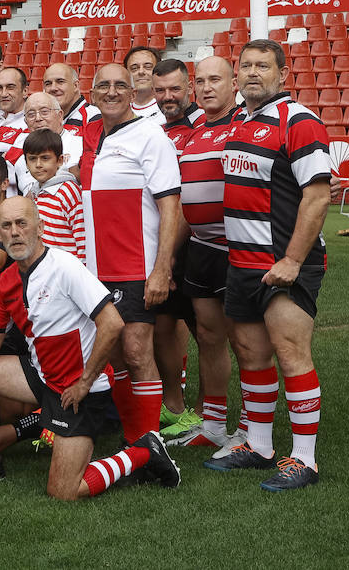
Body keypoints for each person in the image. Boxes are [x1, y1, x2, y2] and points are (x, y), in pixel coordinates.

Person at [0, 198, 180, 498]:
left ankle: (143, 451)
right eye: (6, 226)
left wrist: (84, 382)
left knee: (64, 491)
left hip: (79, 392)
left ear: (40, 228)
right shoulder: (6, 281)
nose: (14, 232)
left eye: (22, 223)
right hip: (43, 376)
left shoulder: (65, 266)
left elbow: (112, 323)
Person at [206, 40, 331, 492]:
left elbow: (317, 195)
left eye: (264, 65)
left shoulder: (298, 120)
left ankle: (305, 459)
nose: (253, 73)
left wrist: (293, 260)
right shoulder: (240, 120)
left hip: (284, 265)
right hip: (241, 264)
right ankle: (258, 446)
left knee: (291, 353)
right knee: (251, 355)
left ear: (283, 74)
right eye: (246, 66)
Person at [80, 62, 183, 443]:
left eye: (119, 85)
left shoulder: (151, 136)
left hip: (135, 265)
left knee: (138, 351)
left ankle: (149, 440)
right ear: (91, 93)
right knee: (117, 354)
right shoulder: (91, 134)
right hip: (94, 268)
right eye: (103, 86)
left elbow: (171, 205)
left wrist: (161, 269)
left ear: (133, 92)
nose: (111, 92)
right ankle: (132, 434)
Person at [170, 55, 243, 450]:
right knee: (210, 336)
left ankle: (251, 426)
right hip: (201, 248)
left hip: (237, 249)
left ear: (234, 84)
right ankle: (213, 424)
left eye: (217, 79)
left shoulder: (247, 125)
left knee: (245, 340)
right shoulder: (196, 132)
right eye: (201, 81)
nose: (208, 87)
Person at [151, 57, 206, 438]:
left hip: (201, 244)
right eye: (160, 91)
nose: (168, 97)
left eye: (174, 89)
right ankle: (173, 405)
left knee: (209, 332)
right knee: (162, 325)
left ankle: (207, 411)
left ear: (189, 88)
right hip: (164, 243)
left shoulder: (209, 124)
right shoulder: (156, 132)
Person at [22, 129, 84, 260]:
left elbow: (82, 237)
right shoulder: (33, 195)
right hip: (44, 270)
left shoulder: (69, 191)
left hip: (69, 271)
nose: (38, 165)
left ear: (60, 160)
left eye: (45, 158)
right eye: (32, 159)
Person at [12, 92, 83, 194]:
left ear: (60, 116)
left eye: (44, 112)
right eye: (31, 114)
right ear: (26, 122)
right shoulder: (21, 162)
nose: (38, 118)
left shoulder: (82, 146)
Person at [43, 62, 96, 131]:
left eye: (60, 82)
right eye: (48, 83)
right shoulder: (40, 120)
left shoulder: (94, 117)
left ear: (75, 86)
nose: (53, 88)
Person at [123, 46, 163, 121]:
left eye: (148, 67)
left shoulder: (168, 108)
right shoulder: (118, 111)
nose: (141, 72)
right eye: (134, 68)